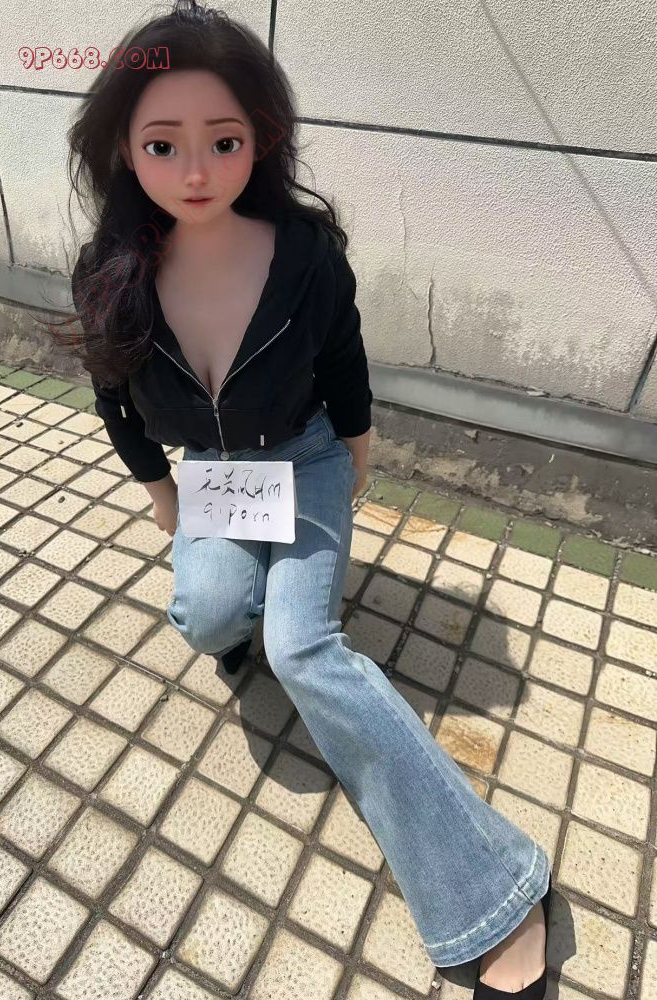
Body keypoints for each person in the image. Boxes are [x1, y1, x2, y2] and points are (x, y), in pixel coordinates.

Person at [54, 2, 553, 993]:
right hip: (214, 474)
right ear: (123, 147)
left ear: (261, 140)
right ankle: (246, 607)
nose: (196, 171)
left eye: (224, 140)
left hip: (306, 454)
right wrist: (159, 488)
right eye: (162, 144)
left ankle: (493, 888)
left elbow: (342, 358)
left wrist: (356, 450)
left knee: (303, 648)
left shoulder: (306, 253)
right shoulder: (112, 273)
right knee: (206, 615)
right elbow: (112, 396)